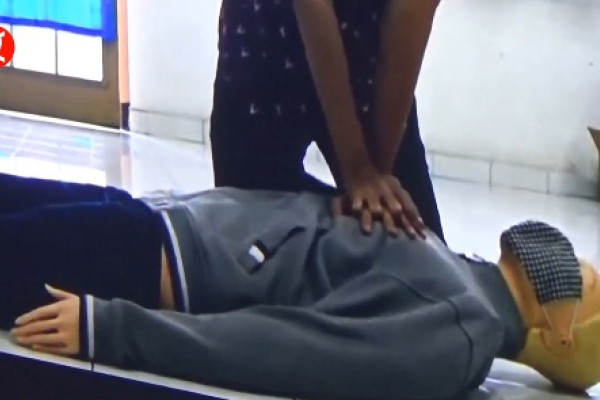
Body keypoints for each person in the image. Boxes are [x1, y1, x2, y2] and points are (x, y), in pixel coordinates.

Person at [1, 172, 599, 400]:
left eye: (596, 287)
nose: (589, 266)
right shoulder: (463, 278)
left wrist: (114, 329)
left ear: (563, 334)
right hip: (145, 218)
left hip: (143, 260)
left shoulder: (457, 334)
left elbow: (286, 350)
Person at [210, 0, 445, 241]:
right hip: (263, 40)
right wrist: (358, 168)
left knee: (408, 237)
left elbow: (414, 8)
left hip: (366, 51)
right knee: (249, 239)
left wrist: (377, 174)